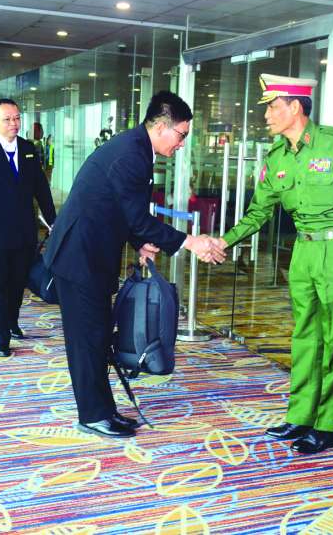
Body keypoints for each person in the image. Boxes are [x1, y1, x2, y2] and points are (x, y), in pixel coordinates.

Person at [44, 91, 225, 439]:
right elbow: (137, 218)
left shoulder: (137, 149)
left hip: (91, 253)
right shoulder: (131, 154)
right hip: (79, 257)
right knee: (87, 339)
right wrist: (191, 242)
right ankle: (93, 415)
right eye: (181, 135)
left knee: (98, 334)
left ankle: (104, 410)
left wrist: (139, 240)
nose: (182, 144)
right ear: (160, 126)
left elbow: (119, 209)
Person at [212, 74, 333, 455]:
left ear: (296, 107)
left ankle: (327, 424)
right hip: (302, 251)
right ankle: (300, 415)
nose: (267, 115)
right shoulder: (277, 157)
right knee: (304, 336)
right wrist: (224, 241)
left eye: (273, 107)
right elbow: (259, 212)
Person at [0, 98, 57, 357]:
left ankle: (11, 320)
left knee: (18, 282)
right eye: (7, 119)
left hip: (24, 231)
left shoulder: (28, 148)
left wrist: (53, 220)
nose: (14, 123)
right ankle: (0, 335)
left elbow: (41, 188)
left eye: (17, 118)